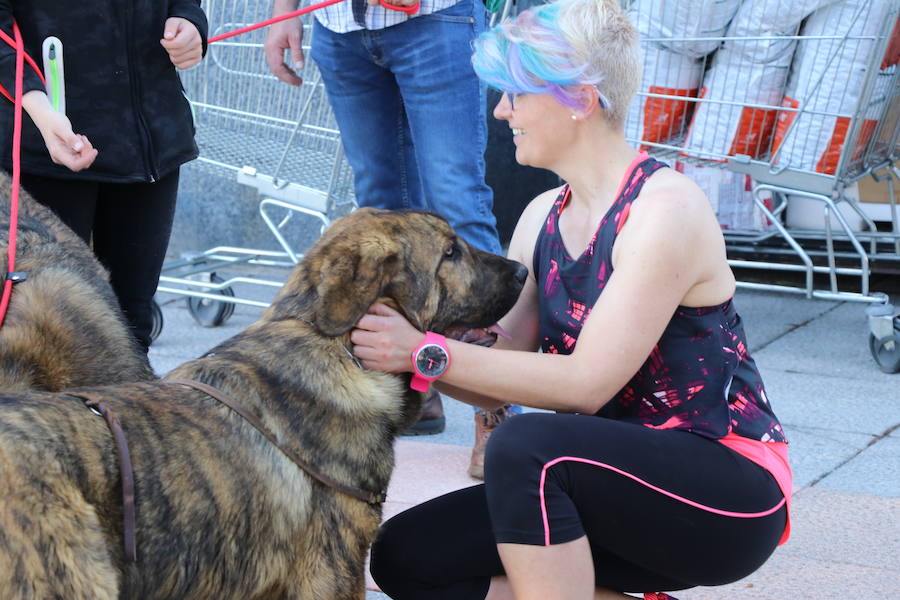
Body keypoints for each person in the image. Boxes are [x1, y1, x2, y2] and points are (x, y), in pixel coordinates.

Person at [349, 0, 793, 597]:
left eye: (515, 94)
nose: (503, 111)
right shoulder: (541, 216)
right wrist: (403, 338)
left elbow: (586, 384)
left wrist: (426, 355)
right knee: (408, 557)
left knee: (525, 447)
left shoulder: (665, 210)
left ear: (580, 99)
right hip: (602, 478)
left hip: (724, 489)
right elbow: (498, 366)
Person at [263, 0, 518, 475]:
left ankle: (499, 414)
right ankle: (416, 385)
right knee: (378, 210)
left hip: (434, 20)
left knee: (459, 206)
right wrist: (285, 12)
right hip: (339, 27)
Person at [0, 0, 208, 353]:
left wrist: (188, 19)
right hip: (44, 146)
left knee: (131, 329)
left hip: (150, 143)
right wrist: (40, 108)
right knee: (45, 336)